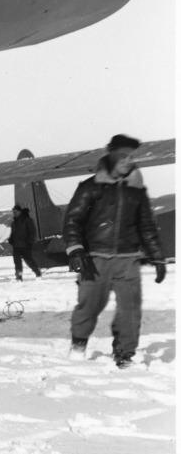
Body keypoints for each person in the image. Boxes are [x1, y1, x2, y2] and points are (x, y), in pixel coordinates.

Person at [62, 134, 166, 368]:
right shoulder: (90, 187)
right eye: (123, 156)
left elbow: (147, 226)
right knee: (89, 306)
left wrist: (158, 257)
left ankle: (124, 355)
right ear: (110, 156)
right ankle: (78, 345)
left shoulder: (136, 191)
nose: (128, 161)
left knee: (130, 310)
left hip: (128, 259)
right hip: (95, 259)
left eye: (131, 157)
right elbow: (72, 221)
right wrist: (76, 250)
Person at [7, 205, 42, 281]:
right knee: (17, 262)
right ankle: (19, 276)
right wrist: (11, 239)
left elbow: (32, 232)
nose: (14, 213)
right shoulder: (14, 223)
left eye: (15, 212)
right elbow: (13, 233)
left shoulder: (27, 220)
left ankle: (37, 272)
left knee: (29, 260)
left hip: (25, 245)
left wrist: (30, 242)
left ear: (20, 212)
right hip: (16, 245)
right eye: (13, 212)